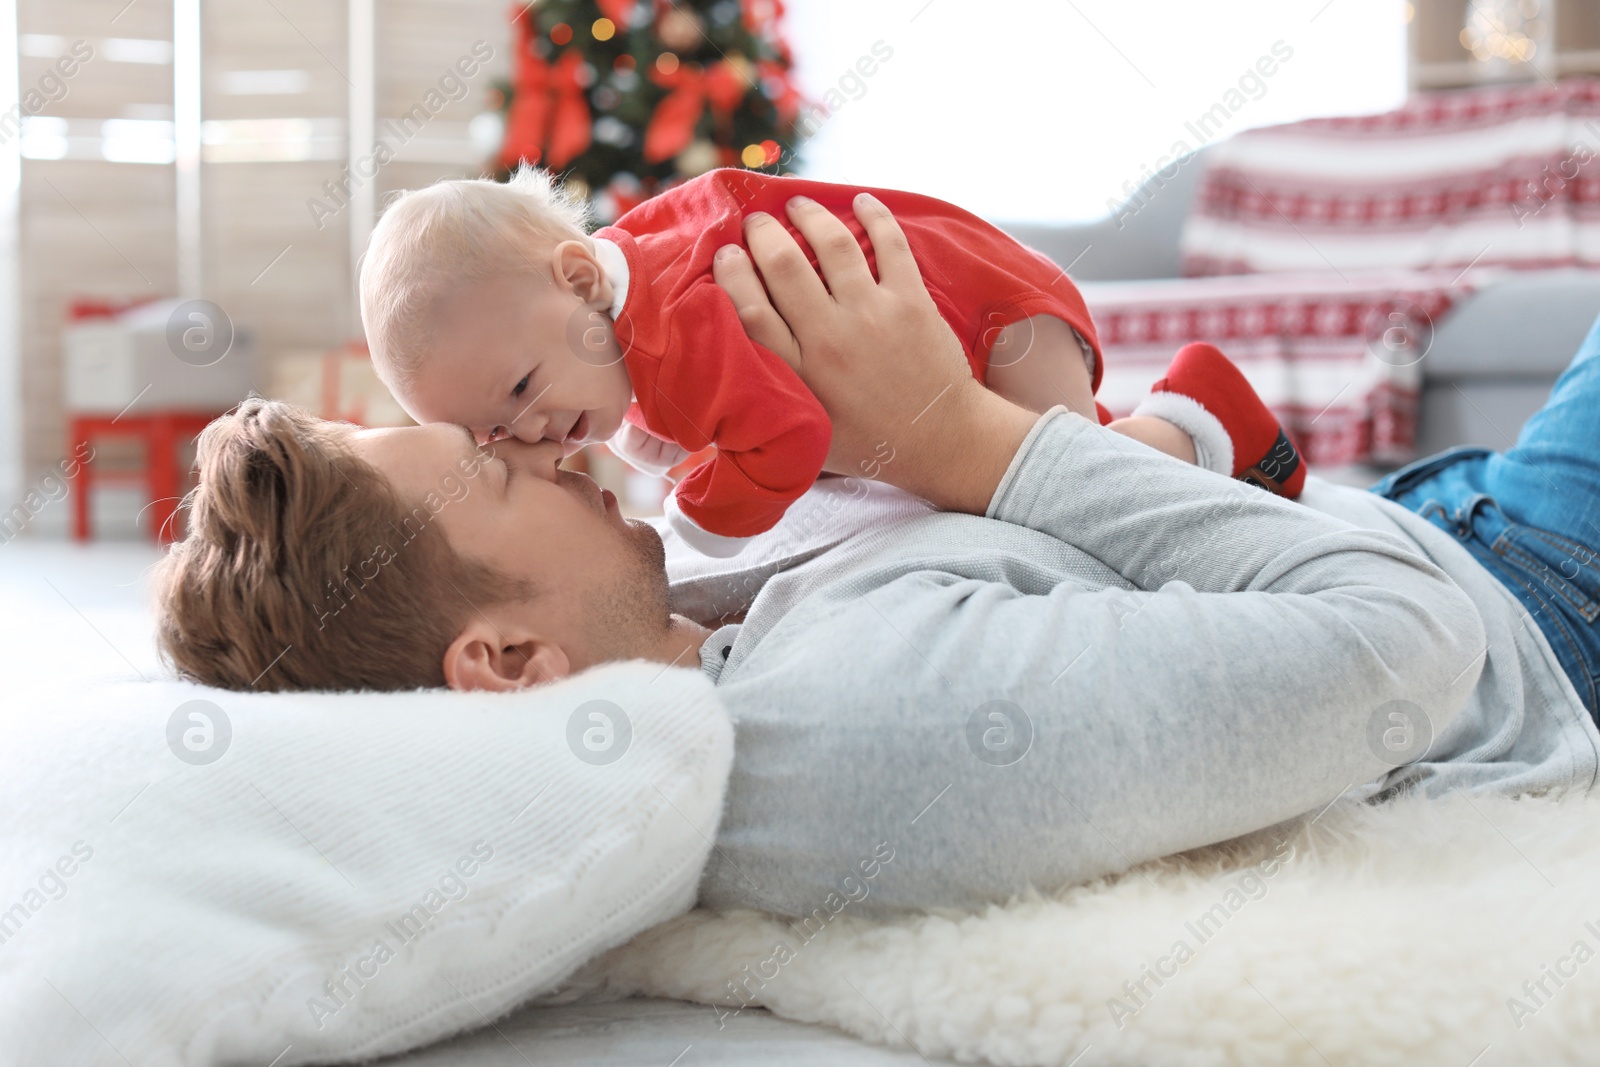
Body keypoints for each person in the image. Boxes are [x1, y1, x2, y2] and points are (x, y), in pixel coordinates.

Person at [154, 195, 1597, 919]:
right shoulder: (867, 729)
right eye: (490, 462)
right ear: (508, 659)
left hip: (1377, 500)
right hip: (1527, 590)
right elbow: (1411, 641)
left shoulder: (671, 617)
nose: (542, 452)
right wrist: (954, 435)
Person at [355, 168, 1302, 557]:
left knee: (1078, 487)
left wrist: (704, 521)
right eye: (491, 427)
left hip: (989, 320)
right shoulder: (624, 294)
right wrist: (655, 442)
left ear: (574, 278)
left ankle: (1210, 416)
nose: (526, 432)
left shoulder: (673, 325)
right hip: (966, 298)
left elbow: (789, 435)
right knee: (1039, 493)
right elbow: (709, 407)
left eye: (522, 388)